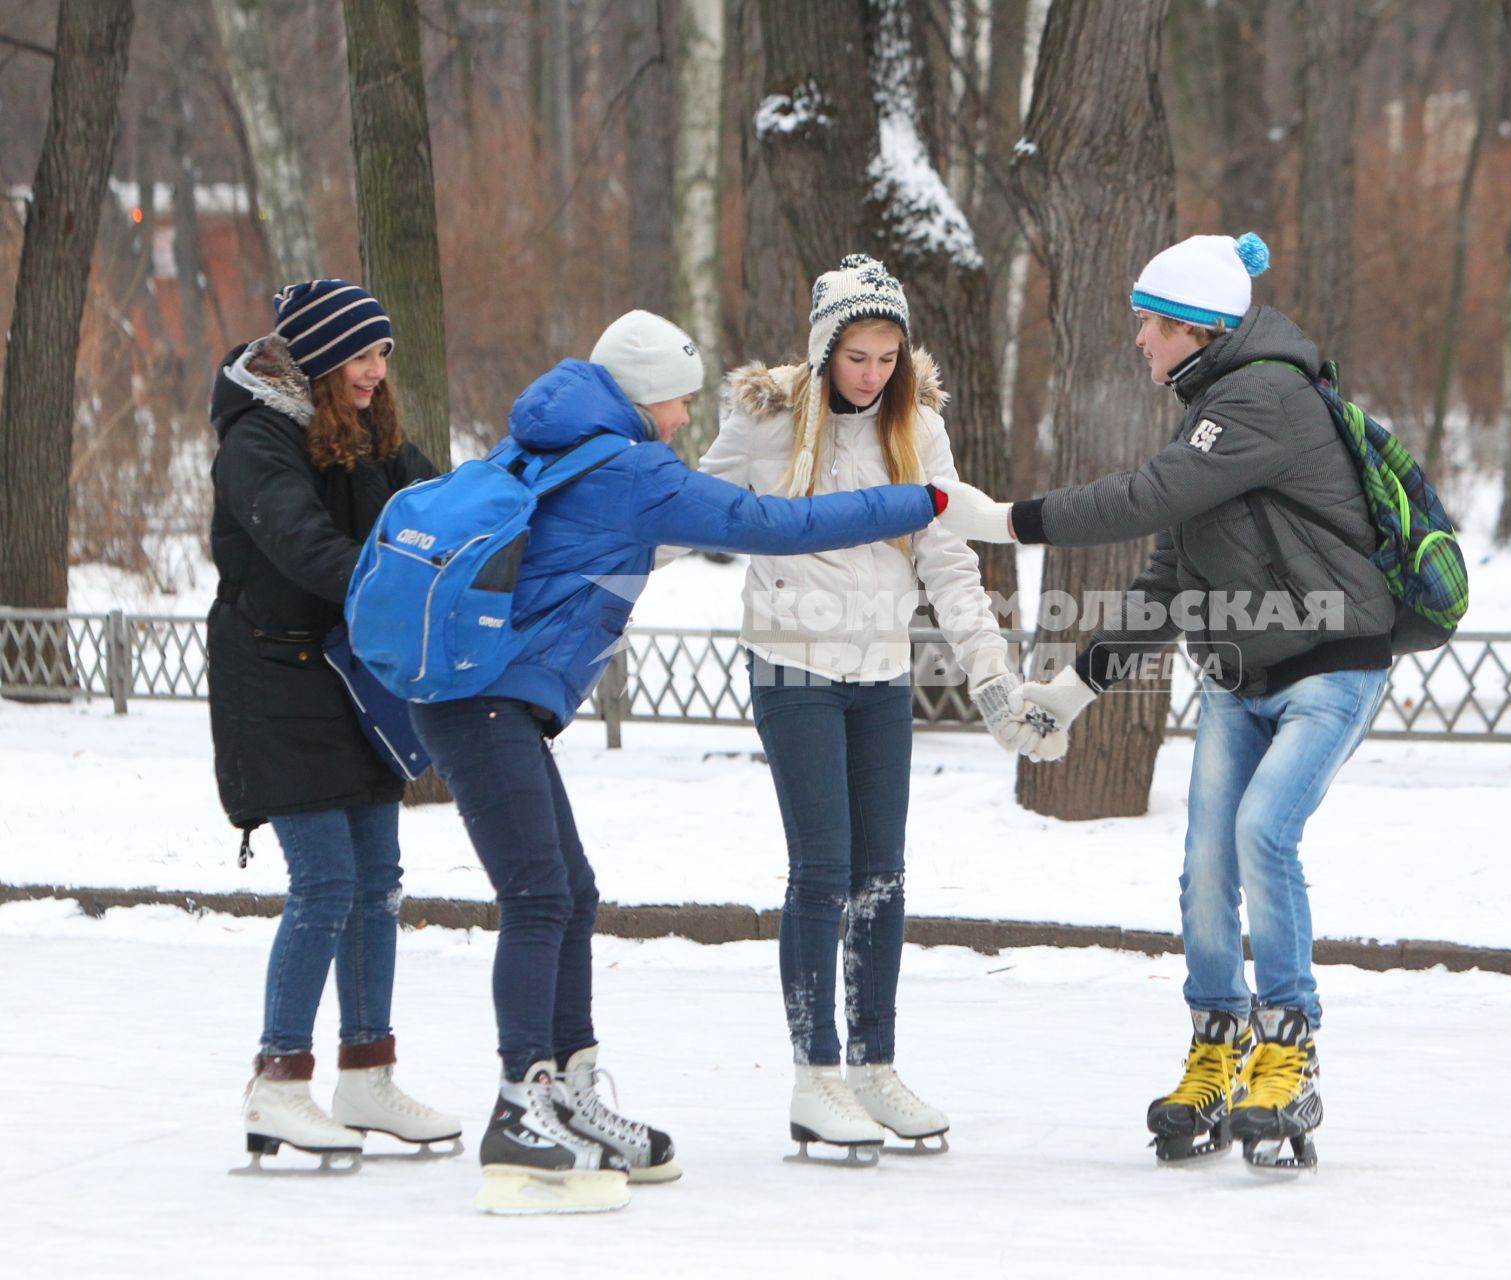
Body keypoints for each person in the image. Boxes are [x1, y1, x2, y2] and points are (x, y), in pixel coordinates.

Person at [404, 309, 954, 1213]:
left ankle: (570, 1093)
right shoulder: (627, 465)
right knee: (542, 897)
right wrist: (920, 499)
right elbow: (766, 523)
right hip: (485, 698)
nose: (683, 421)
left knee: (568, 891)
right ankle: (521, 1109)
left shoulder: (555, 439)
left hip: (485, 694)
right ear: (643, 395)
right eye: (677, 403)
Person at [937, 233, 1394, 1171]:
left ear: (1195, 329)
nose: (1139, 343)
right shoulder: (1209, 417)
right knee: (1203, 860)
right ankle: (1218, 1046)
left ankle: (1289, 1050)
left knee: (1263, 833)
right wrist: (1068, 695)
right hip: (1239, 678)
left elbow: (1143, 498)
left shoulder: (1261, 396)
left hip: (1331, 666)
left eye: (1148, 325)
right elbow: (1168, 586)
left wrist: (1005, 521)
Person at [676, 253, 1037, 1163]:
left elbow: (950, 559)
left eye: (888, 357)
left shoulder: (918, 428)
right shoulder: (765, 423)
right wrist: (585, 581)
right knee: (825, 870)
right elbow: (689, 513)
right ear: (824, 348)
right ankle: (815, 1075)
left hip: (879, 671)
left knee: (884, 870)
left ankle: (874, 1062)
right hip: (791, 667)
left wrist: (991, 676)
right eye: (857, 357)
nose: (872, 375)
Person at [208, 279, 461, 1172]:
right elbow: (306, 548)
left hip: (353, 681)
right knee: (326, 881)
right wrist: (402, 581)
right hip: (273, 679)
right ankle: (278, 1082)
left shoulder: (371, 429)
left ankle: (367, 1070)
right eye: (359, 355)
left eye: (382, 353)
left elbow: (437, 506)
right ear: (317, 360)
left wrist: (500, 513)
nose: (374, 371)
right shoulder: (257, 441)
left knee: (379, 880)